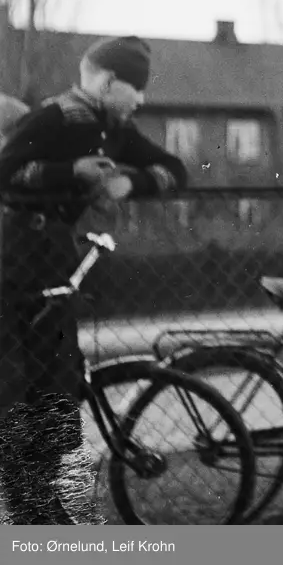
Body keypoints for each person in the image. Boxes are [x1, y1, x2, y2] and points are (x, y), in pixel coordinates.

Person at [0, 37, 188, 525]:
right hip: (11, 254)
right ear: (106, 83)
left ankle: (41, 510)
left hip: (54, 256)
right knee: (15, 383)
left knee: (60, 378)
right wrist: (72, 170)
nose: (141, 101)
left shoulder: (115, 129)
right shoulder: (55, 118)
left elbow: (174, 170)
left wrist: (129, 183)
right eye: (135, 89)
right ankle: (28, 511)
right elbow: (4, 171)